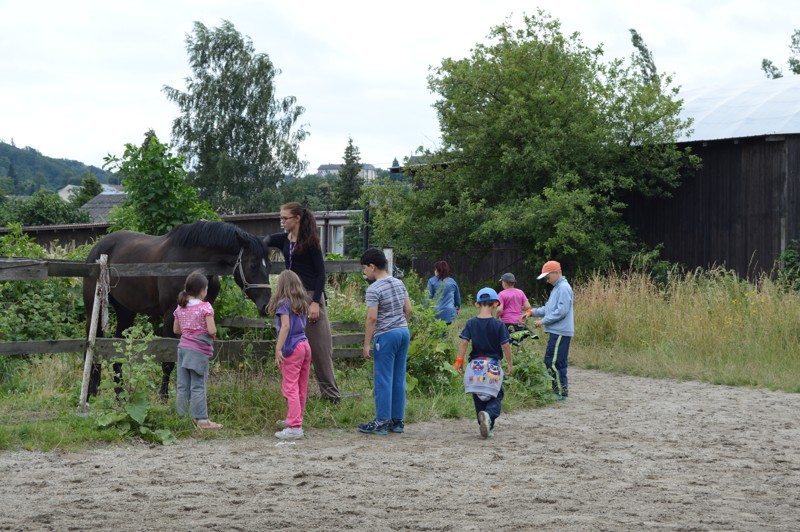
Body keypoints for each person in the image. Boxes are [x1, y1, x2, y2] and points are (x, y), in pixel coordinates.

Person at [269, 202, 342, 404]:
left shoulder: (310, 242)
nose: (282, 221)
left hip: (310, 296)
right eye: (281, 218)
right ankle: (295, 397)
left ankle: (331, 396)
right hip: (292, 299)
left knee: (320, 347)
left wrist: (316, 302)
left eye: (285, 218)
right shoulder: (283, 239)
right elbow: (259, 241)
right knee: (291, 344)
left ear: (297, 218)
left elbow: (321, 274)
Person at [358, 248, 412, 435]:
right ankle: (397, 421)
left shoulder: (373, 289)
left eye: (364, 268)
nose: (364, 272)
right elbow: (408, 310)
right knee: (398, 377)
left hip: (386, 335)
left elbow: (372, 318)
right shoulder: (398, 283)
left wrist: (366, 344)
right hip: (403, 332)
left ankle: (381, 421)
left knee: (383, 378)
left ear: (372, 267)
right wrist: (402, 324)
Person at [454, 287, 513, 439]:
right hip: (492, 366)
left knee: (478, 397)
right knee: (496, 396)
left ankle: (484, 424)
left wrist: (459, 361)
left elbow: (464, 343)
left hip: (475, 367)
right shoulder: (499, 325)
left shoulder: (471, 323)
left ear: (477, 304)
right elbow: (505, 346)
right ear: (495, 304)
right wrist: (510, 363)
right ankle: (488, 415)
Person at [172, 271, 222, 430]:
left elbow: (176, 330)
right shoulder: (205, 307)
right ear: (202, 290)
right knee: (198, 385)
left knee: (182, 385)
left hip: (183, 348)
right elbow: (212, 330)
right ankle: (202, 420)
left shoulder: (180, 307)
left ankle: (181, 418)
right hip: (198, 351)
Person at [268, 270, 312, 440]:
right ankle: (296, 419)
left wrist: (278, 348)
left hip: (292, 347)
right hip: (304, 345)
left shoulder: (283, 303)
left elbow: (285, 327)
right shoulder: (301, 303)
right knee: (301, 386)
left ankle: (294, 427)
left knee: (290, 386)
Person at [531, 260, 574, 400]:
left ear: (556, 273)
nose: (547, 280)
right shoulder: (557, 288)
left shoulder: (563, 288)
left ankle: (560, 392)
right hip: (557, 331)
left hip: (560, 331)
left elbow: (561, 311)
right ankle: (559, 391)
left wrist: (543, 321)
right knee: (556, 361)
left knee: (553, 362)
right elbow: (548, 308)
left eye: (547, 277)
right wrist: (532, 312)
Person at [495, 272, 533, 349]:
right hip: (519, 322)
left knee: (506, 343)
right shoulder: (520, 292)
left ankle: (508, 358)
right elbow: (528, 306)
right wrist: (518, 307)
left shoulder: (501, 294)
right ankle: (518, 357)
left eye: (502, 282)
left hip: (507, 323)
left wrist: (496, 318)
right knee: (517, 344)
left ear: (504, 283)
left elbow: (499, 310)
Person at [425, 260, 461, 325]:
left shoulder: (432, 281)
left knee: (434, 333)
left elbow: (427, 298)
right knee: (445, 333)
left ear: (437, 270)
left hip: (435, 313)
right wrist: (457, 311)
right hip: (449, 313)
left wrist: (424, 311)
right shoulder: (452, 282)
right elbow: (457, 299)